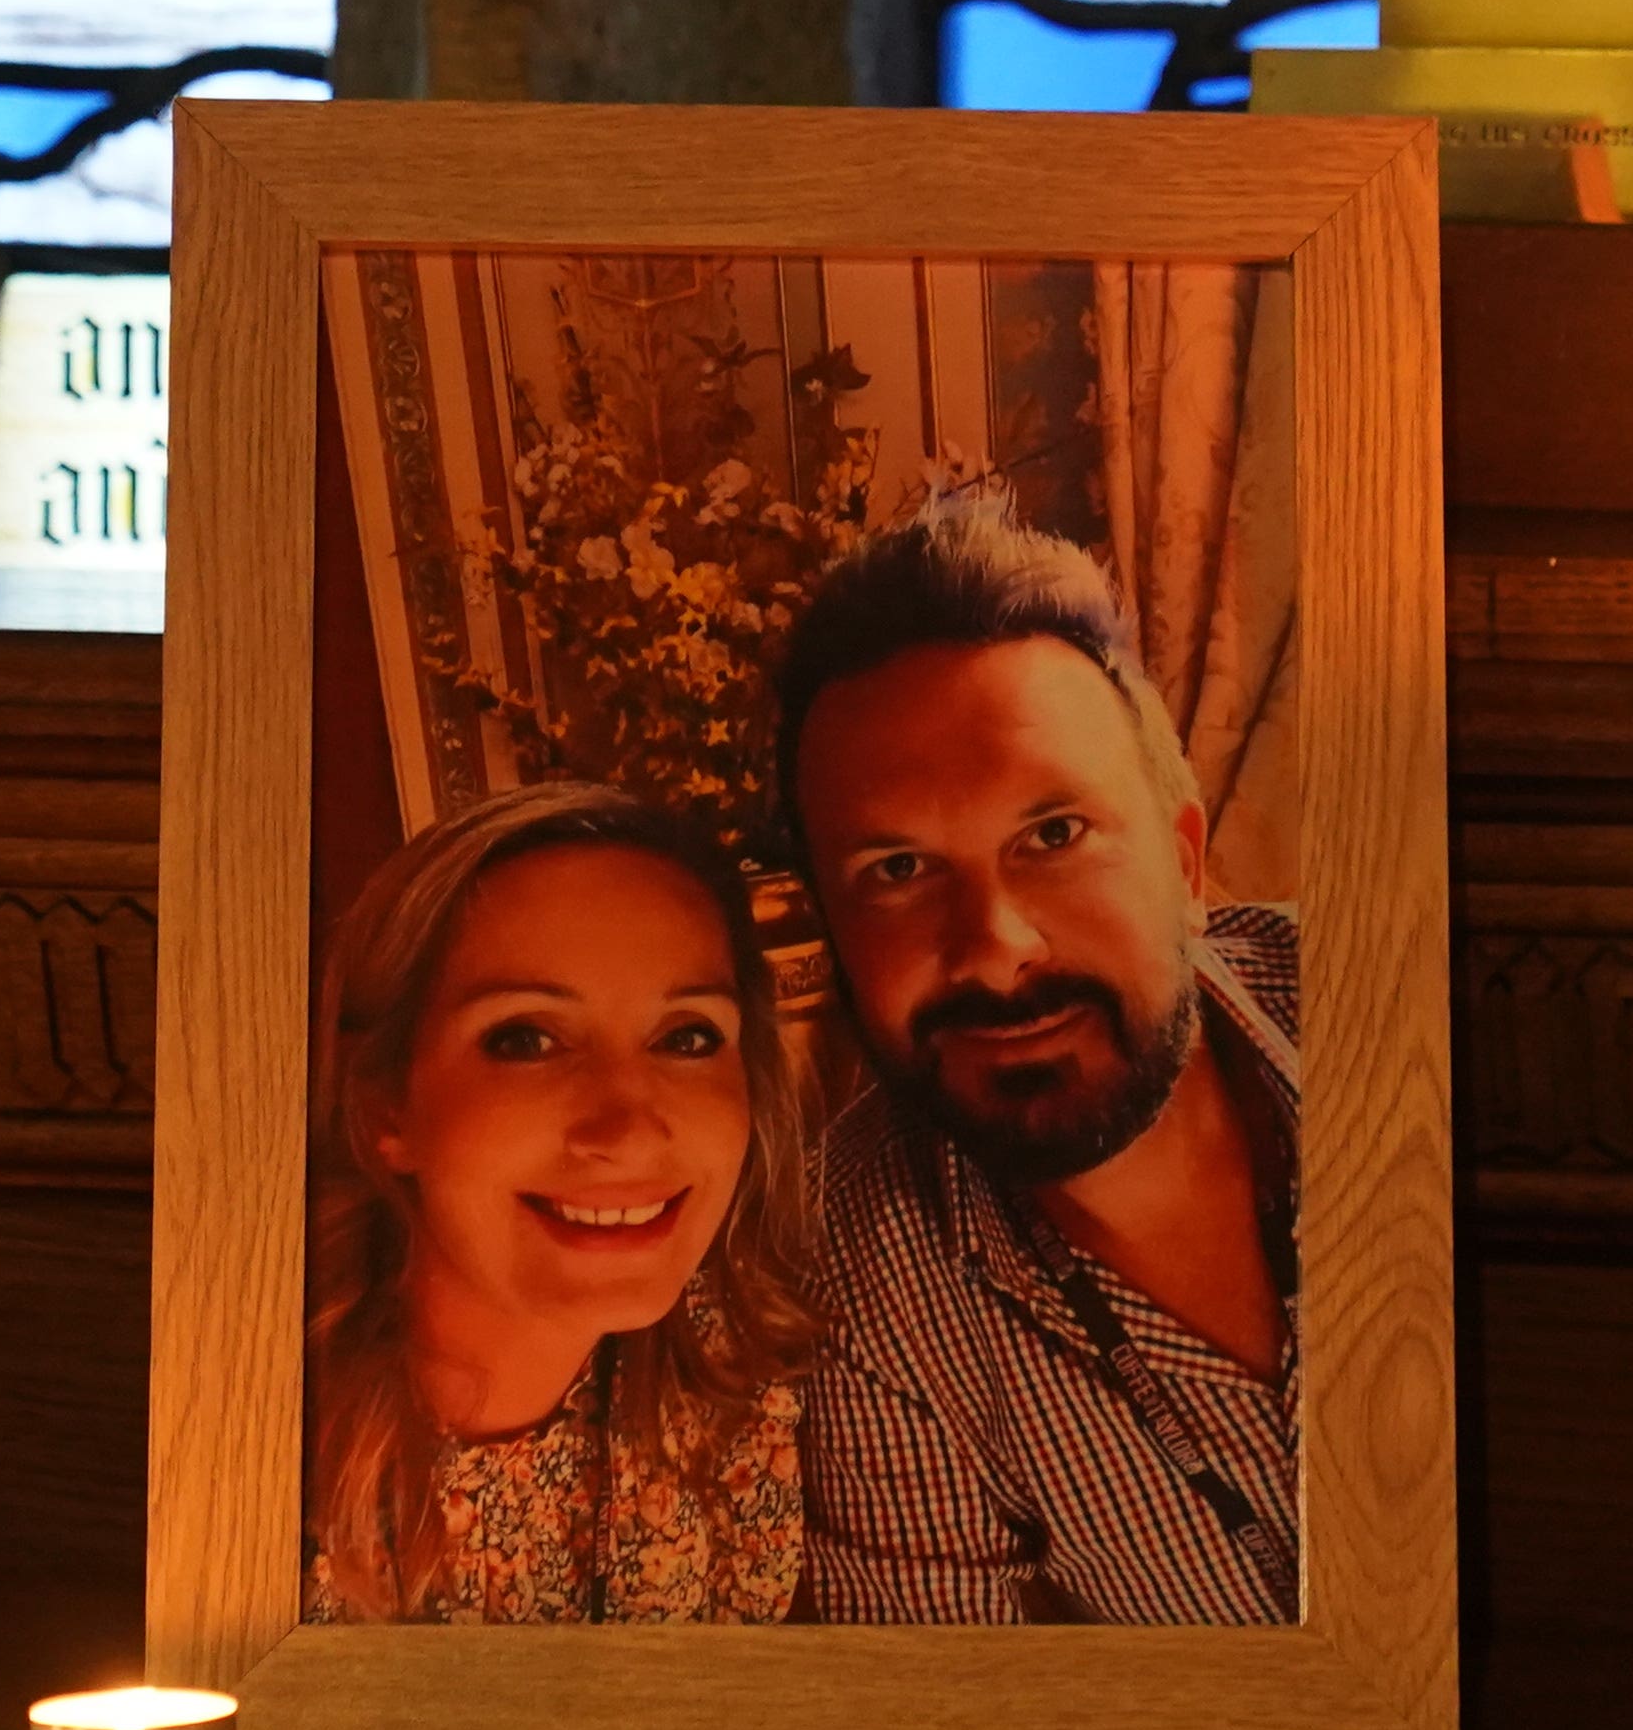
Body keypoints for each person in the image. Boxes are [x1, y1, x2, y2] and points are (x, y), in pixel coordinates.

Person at [775, 500, 1300, 1624]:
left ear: (1184, 859)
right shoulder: (862, 1296)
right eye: (899, 868)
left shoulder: (1389, 1020)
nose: (995, 947)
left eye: (1052, 835)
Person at [304, 779, 812, 1623]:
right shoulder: (252, 1438)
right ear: (385, 1104)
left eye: (686, 1037)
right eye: (526, 1039)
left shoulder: (734, 1377)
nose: (630, 1130)